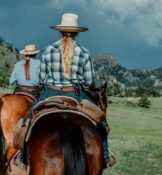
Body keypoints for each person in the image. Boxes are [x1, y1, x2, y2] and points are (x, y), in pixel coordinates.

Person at [39, 13, 116, 167]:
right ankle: (106, 156)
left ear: (60, 31)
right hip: (76, 95)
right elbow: (88, 82)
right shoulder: (84, 52)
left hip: (50, 93)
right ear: (77, 33)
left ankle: (21, 157)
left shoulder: (48, 50)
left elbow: (42, 78)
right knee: (100, 121)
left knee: (28, 118)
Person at [10, 44, 41, 169]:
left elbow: (11, 81)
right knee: (38, 118)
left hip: (19, 91)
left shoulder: (17, 65)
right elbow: (44, 80)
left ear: (24, 54)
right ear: (35, 54)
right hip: (34, 93)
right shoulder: (40, 63)